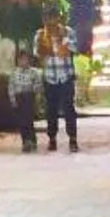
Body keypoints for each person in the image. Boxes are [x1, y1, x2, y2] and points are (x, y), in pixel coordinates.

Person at [38, 14, 80, 153]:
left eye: (54, 19)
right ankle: (52, 139)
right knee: (51, 110)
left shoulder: (68, 32)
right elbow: (37, 53)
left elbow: (74, 49)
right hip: (50, 77)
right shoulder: (40, 34)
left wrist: (63, 40)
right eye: (48, 19)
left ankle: (73, 139)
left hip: (66, 77)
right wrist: (47, 44)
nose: (52, 22)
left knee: (69, 109)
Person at [0, 32, 41, 152]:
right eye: (21, 59)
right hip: (19, 97)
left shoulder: (33, 72)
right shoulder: (14, 73)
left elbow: (37, 85)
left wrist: (36, 96)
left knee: (29, 120)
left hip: (29, 97)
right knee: (22, 121)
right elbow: (11, 87)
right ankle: (25, 141)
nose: (23, 62)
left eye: (25, 59)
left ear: (29, 60)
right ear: (17, 61)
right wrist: (13, 100)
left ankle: (32, 140)